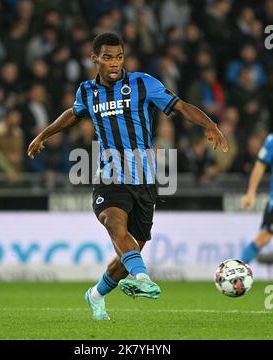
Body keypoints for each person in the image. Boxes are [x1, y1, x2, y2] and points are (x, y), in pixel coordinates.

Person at [27, 32, 228, 320]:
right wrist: (43, 135)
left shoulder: (142, 83)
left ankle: (96, 294)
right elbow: (73, 113)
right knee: (113, 221)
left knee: (128, 253)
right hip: (109, 176)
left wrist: (210, 125)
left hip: (145, 180)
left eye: (119, 57)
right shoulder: (87, 91)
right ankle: (143, 278)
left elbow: (181, 106)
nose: (115, 63)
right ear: (94, 58)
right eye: (108, 57)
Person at [240, 134, 273, 263]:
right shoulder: (271, 141)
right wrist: (251, 192)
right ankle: (238, 272)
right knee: (264, 237)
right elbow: (260, 166)